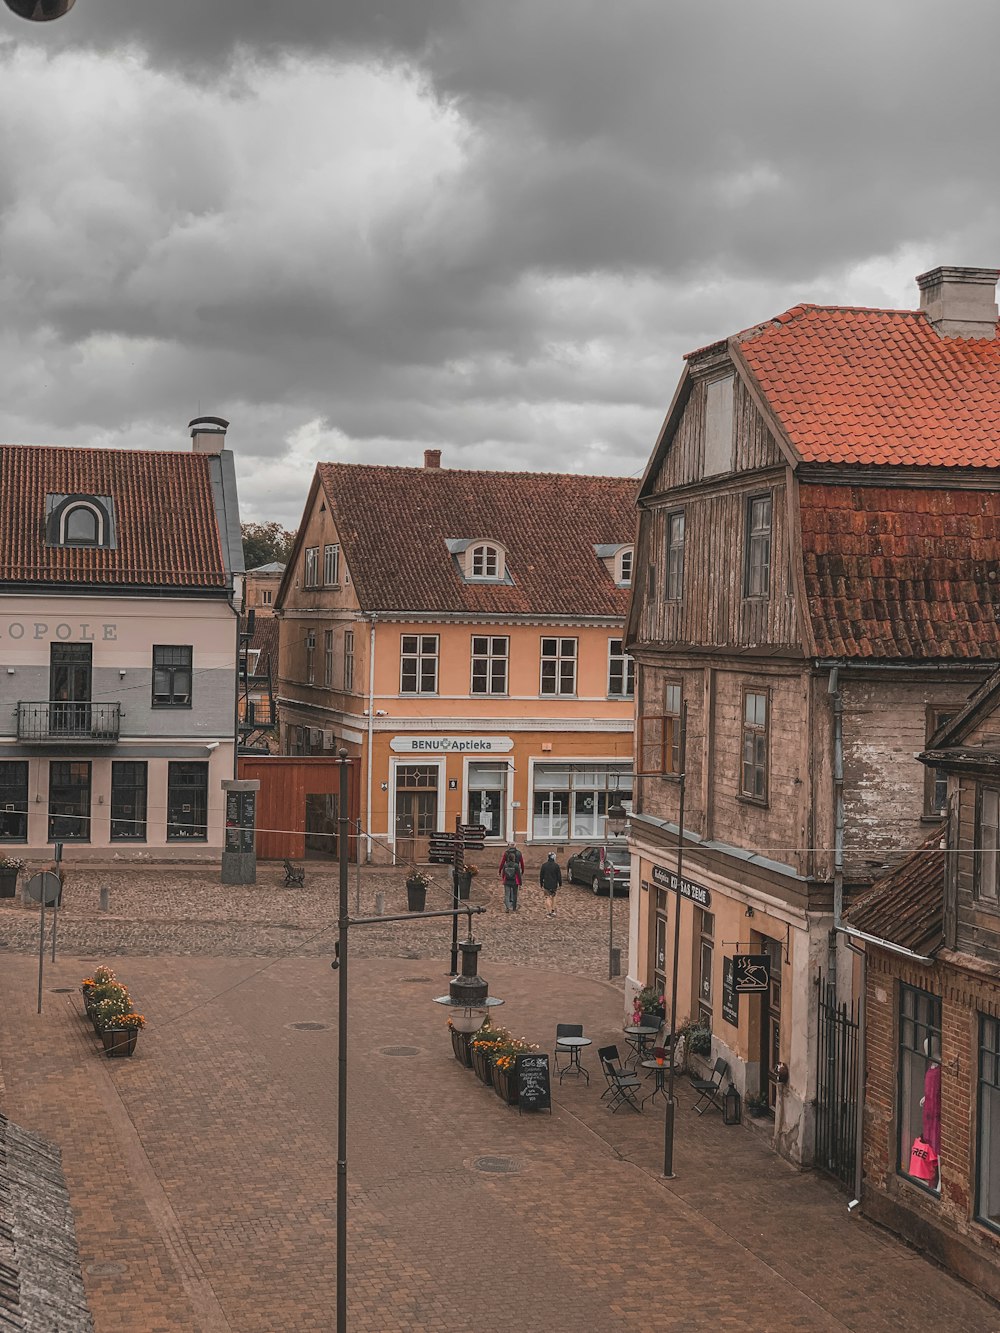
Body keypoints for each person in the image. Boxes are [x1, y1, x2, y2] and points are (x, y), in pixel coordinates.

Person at [498, 843, 524, 913]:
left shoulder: (506, 854)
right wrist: (522, 871)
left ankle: (507, 906)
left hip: (507, 875)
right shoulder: (519, 853)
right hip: (515, 875)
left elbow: (502, 862)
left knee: (507, 893)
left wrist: (500, 871)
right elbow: (522, 863)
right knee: (514, 891)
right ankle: (513, 904)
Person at [539, 852, 562, 916]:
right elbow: (559, 876)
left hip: (546, 884)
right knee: (553, 897)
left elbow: (541, 876)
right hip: (554, 884)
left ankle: (549, 911)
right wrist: (560, 884)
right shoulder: (556, 866)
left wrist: (541, 883)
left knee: (547, 898)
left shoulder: (544, 865)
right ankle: (553, 910)